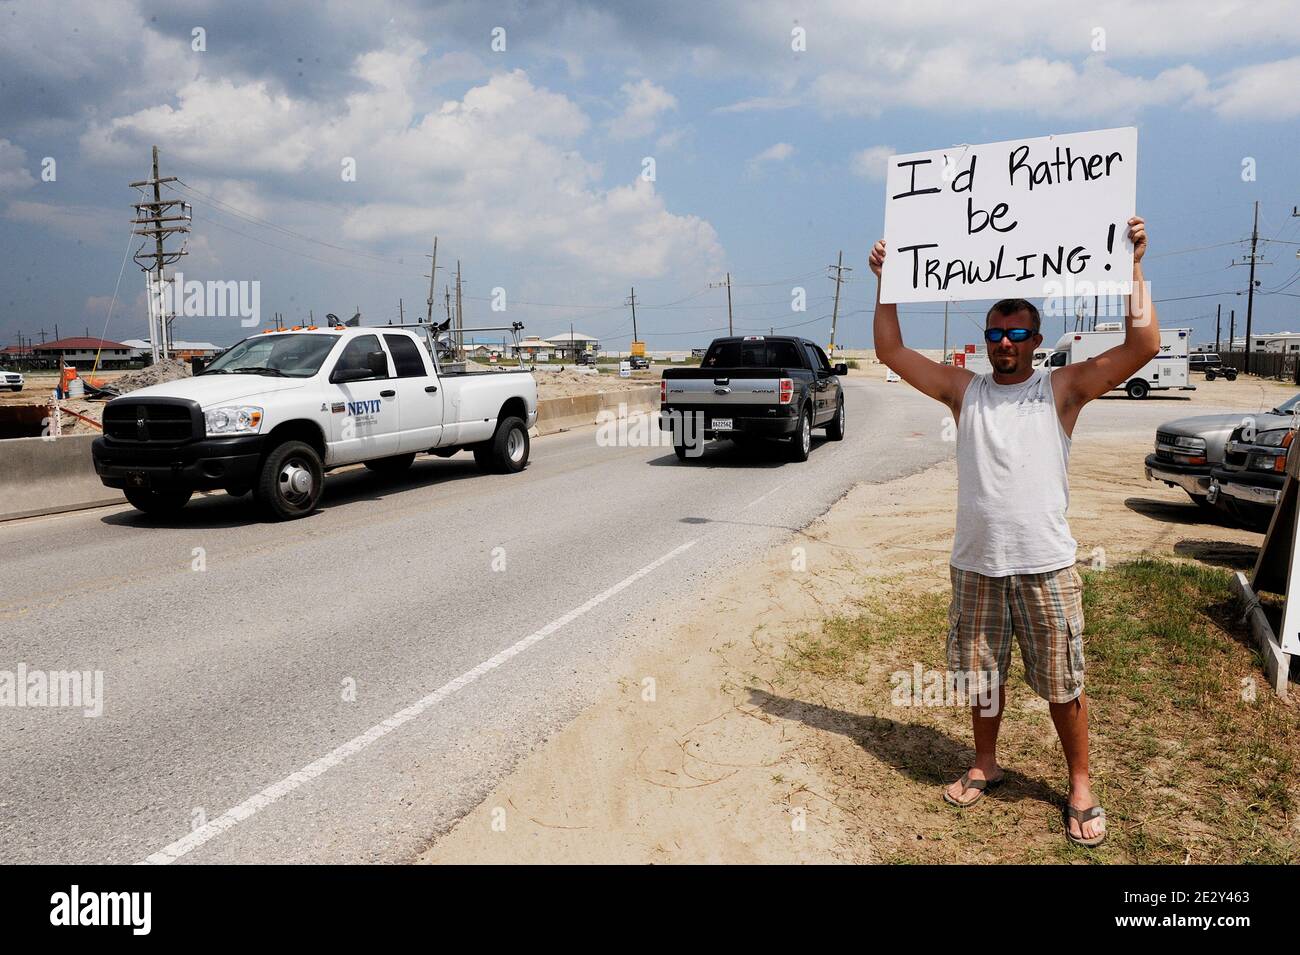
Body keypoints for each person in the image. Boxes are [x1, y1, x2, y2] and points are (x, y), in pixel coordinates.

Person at [868, 217, 1157, 847]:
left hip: (1046, 563)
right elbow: (892, 352)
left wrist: (1134, 266)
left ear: (1035, 338)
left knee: (1062, 681)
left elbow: (1141, 349)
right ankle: (985, 762)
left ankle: (1080, 785)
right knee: (980, 676)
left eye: (1017, 332)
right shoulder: (961, 391)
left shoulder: (1062, 390)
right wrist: (887, 283)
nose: (1006, 342)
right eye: (997, 333)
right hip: (975, 562)